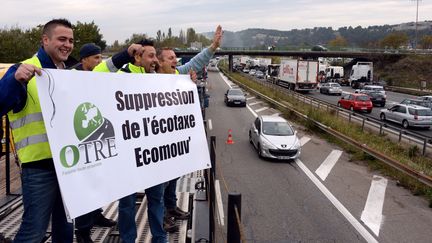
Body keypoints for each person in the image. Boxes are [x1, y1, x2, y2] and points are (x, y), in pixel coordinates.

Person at [0, 18, 74, 242]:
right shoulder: (22, 70)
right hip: (39, 169)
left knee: (65, 228)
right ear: (45, 40)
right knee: (33, 232)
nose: (67, 45)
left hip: (69, 166)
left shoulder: (67, 74)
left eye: (71, 40)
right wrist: (15, 80)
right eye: (62, 39)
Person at [156, 25, 223, 226]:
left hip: (173, 138)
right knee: (159, 182)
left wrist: (212, 47)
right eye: (170, 58)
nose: (175, 61)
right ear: (159, 62)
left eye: (175, 58)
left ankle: (171, 207)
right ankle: (162, 217)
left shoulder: (178, 74)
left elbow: (196, 62)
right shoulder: (147, 80)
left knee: (173, 176)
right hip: (156, 142)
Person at [117, 39, 170, 243]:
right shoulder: (121, 76)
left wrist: (188, 84)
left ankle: (159, 238)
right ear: (138, 56)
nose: (155, 60)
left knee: (157, 199)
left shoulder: (158, 79)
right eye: (150, 56)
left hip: (153, 154)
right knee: (127, 204)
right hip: (129, 156)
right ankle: (128, 239)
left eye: (156, 56)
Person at [73, 43, 117, 243]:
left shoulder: (97, 77)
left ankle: (96, 215)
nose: (99, 62)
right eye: (96, 58)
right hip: (81, 139)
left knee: (98, 181)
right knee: (84, 188)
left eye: (101, 58)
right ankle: (82, 230)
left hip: (97, 136)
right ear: (84, 60)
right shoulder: (72, 77)